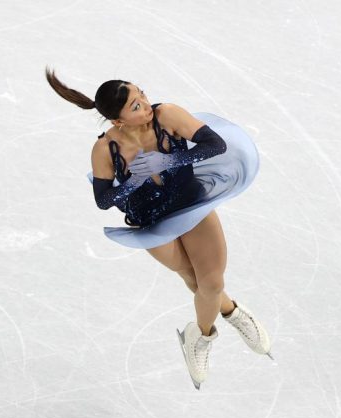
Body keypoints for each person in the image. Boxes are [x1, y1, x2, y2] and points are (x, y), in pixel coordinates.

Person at [45, 66, 273, 389]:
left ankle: (200, 336)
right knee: (195, 280)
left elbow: (215, 145)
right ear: (117, 121)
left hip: (190, 203)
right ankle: (230, 311)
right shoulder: (104, 150)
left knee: (210, 283)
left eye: (142, 94)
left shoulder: (167, 116)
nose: (146, 105)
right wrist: (133, 181)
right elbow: (103, 199)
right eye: (136, 106)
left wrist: (169, 161)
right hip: (151, 222)